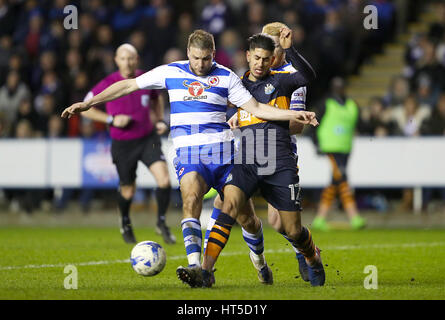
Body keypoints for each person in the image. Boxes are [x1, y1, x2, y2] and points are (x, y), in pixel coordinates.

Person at [61, 30, 317, 286]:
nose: (201, 64)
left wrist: (295, 115)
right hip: (189, 155)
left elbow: (258, 109)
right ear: (188, 53)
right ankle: (196, 267)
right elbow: (128, 85)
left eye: (206, 59)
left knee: (247, 219)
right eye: (196, 58)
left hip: (225, 155)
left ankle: (260, 261)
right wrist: (89, 103)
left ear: (213, 55)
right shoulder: (170, 72)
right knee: (191, 199)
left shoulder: (227, 77)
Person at [199, 29, 324, 288]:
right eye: (256, 58)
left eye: (266, 59)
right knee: (227, 205)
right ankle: (205, 271)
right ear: (247, 56)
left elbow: (308, 76)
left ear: (272, 60)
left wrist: (291, 49)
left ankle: (312, 258)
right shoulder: (237, 85)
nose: (260, 64)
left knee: (292, 230)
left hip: (279, 163)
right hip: (247, 161)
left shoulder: (282, 81)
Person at [80, 43, 175, 244]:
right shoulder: (108, 82)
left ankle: (161, 222)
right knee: (128, 190)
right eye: (123, 58)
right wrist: (111, 120)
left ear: (136, 59)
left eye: (131, 58)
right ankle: (125, 221)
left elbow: (156, 98)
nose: (127, 62)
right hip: (123, 144)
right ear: (116, 60)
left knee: (164, 180)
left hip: (148, 139)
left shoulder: (145, 78)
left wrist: (158, 119)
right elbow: (86, 107)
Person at [311, 77, 366, 231]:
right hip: (330, 147)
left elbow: (360, 124)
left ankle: (320, 218)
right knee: (342, 178)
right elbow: (314, 124)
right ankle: (353, 215)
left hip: (345, 148)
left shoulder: (351, 105)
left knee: (335, 181)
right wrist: (316, 143)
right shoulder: (326, 103)